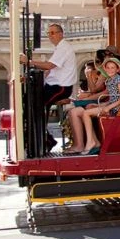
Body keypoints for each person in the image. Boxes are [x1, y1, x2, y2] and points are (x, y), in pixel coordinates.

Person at [19, 23, 77, 151]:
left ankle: (46, 140)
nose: (50, 36)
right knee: (34, 106)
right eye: (48, 33)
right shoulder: (59, 48)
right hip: (54, 85)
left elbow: (49, 66)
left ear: (60, 33)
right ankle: (45, 139)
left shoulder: (63, 48)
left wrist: (28, 62)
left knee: (38, 107)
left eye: (53, 33)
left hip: (61, 87)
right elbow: (50, 70)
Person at [65, 57, 120, 155]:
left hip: (116, 109)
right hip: (111, 105)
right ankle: (93, 142)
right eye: (108, 68)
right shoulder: (110, 81)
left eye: (113, 68)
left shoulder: (119, 80)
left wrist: (108, 108)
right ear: (105, 69)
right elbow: (112, 98)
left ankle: (91, 142)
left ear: (117, 69)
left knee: (86, 113)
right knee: (86, 110)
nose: (110, 70)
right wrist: (98, 104)